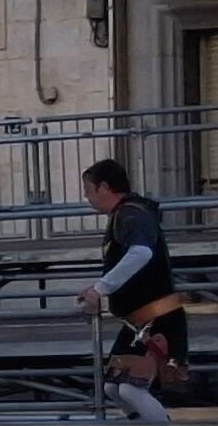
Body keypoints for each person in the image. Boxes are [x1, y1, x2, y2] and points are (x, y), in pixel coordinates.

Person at [76, 159, 184, 375]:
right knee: (115, 385)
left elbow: (141, 253)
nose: (87, 197)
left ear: (105, 188)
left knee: (129, 387)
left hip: (156, 317)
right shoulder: (129, 214)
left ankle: (157, 411)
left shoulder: (130, 215)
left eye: (89, 191)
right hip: (143, 319)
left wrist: (100, 288)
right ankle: (143, 411)